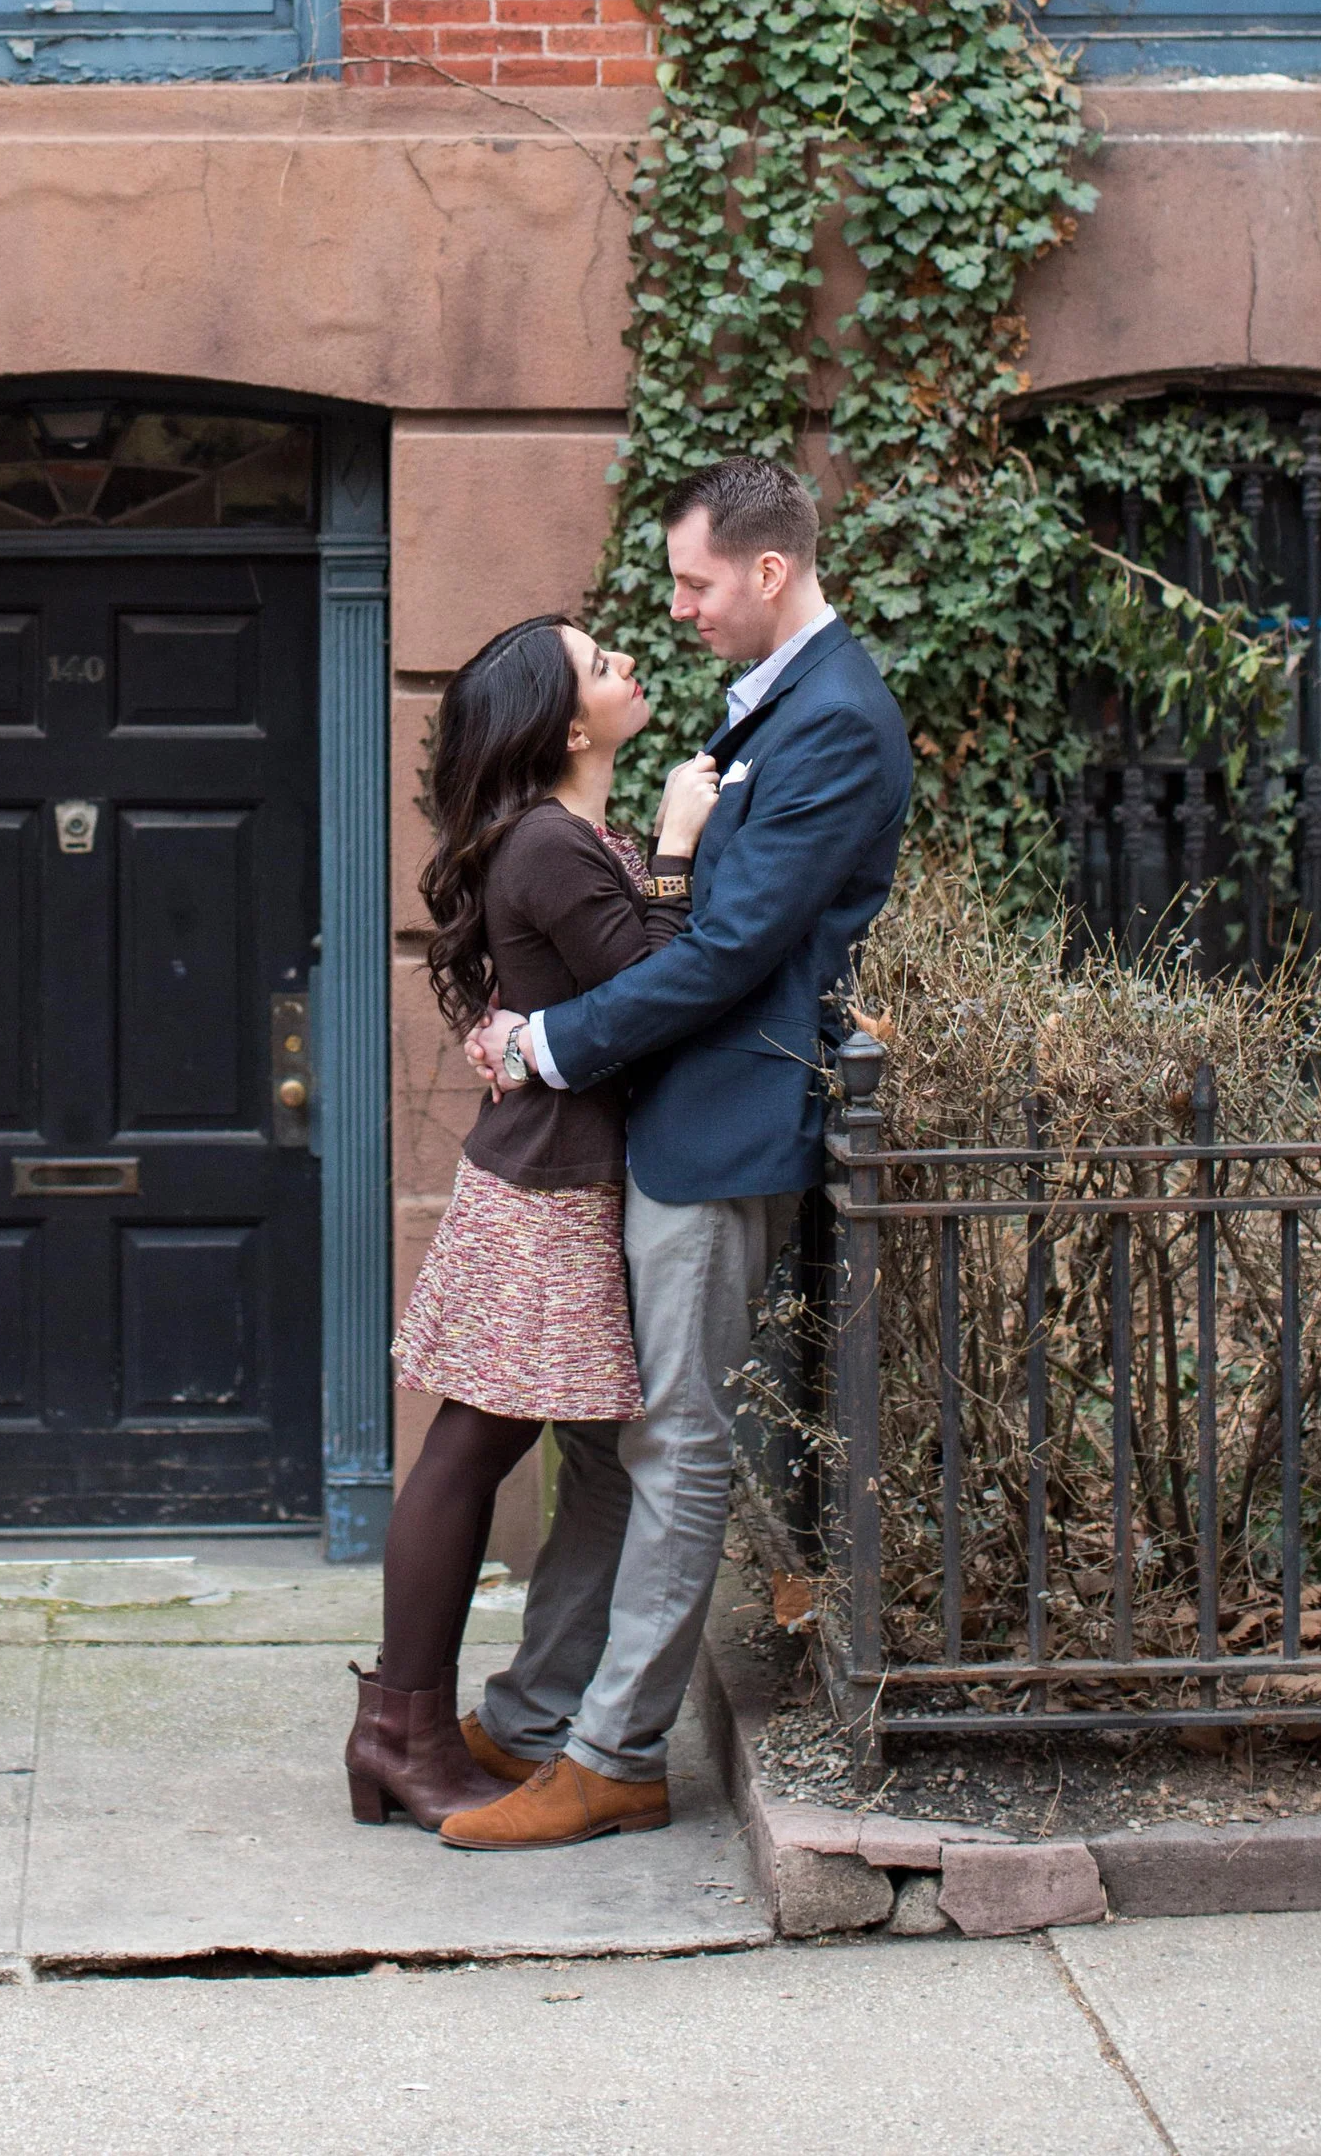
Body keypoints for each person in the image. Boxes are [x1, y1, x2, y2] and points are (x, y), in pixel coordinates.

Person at [441, 457, 911, 1852]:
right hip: (673, 1117)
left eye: (697, 583)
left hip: (723, 1131)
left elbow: (723, 951)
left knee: (677, 1439)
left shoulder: (835, 720)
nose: (681, 609)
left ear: (770, 571)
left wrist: (548, 1044)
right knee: (606, 1440)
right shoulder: (770, 700)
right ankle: (536, 1716)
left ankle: (614, 1751)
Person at [344, 614, 713, 1831]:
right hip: (545, 1193)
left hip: (554, 1175)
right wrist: (672, 846)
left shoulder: (558, 834)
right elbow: (650, 990)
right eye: (602, 662)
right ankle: (398, 1728)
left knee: (499, 1451)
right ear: (564, 724)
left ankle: (446, 1721)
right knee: (469, 1452)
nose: (626, 665)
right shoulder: (555, 842)